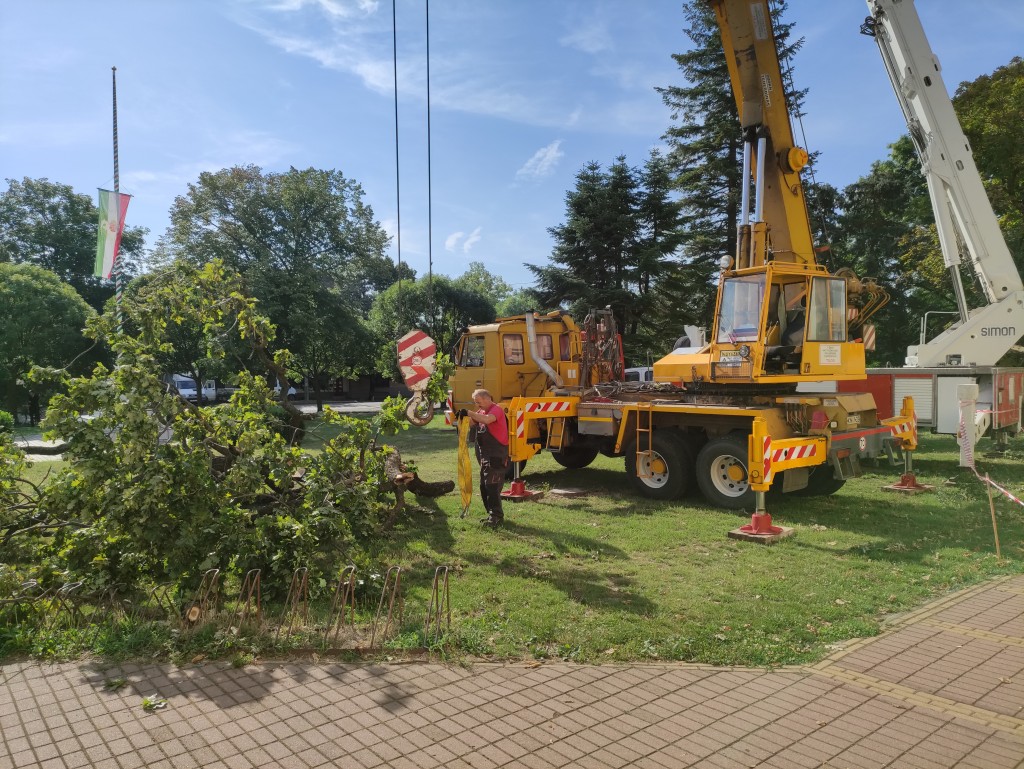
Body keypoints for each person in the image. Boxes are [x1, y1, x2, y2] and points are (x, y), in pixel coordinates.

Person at [459, 388, 509, 526]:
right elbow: (472, 423)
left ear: (487, 399)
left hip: (496, 455)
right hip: (485, 455)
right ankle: (491, 514)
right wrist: (463, 417)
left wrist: (469, 412)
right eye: (475, 402)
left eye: (478, 402)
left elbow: (487, 420)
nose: (477, 405)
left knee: (492, 486)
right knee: (484, 486)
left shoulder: (496, 410)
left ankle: (497, 516)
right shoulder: (481, 412)